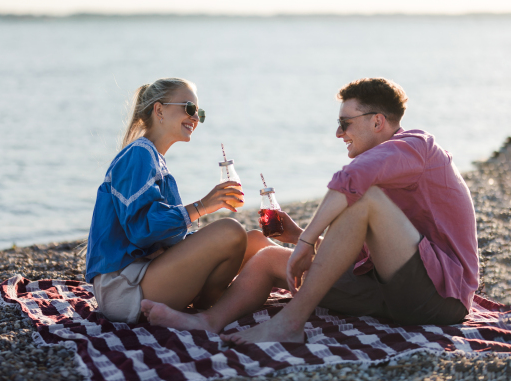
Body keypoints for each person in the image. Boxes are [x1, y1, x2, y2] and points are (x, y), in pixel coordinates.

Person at [141, 77, 479, 344]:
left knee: (363, 198)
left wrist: (307, 244)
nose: (338, 133)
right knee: (267, 257)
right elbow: (357, 252)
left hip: (439, 297)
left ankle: (289, 323)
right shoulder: (380, 169)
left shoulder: (417, 146)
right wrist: (301, 237)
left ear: (378, 122)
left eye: (345, 123)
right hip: (387, 290)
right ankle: (208, 322)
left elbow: (349, 182)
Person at [85, 77, 271, 324]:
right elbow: (141, 229)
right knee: (230, 231)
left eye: (199, 113)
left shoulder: (153, 158)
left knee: (257, 242)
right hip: (125, 288)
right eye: (189, 108)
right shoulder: (139, 154)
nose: (195, 118)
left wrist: (193, 227)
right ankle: (223, 303)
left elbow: (166, 238)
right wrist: (201, 207)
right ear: (159, 109)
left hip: (147, 275)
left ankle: (219, 298)